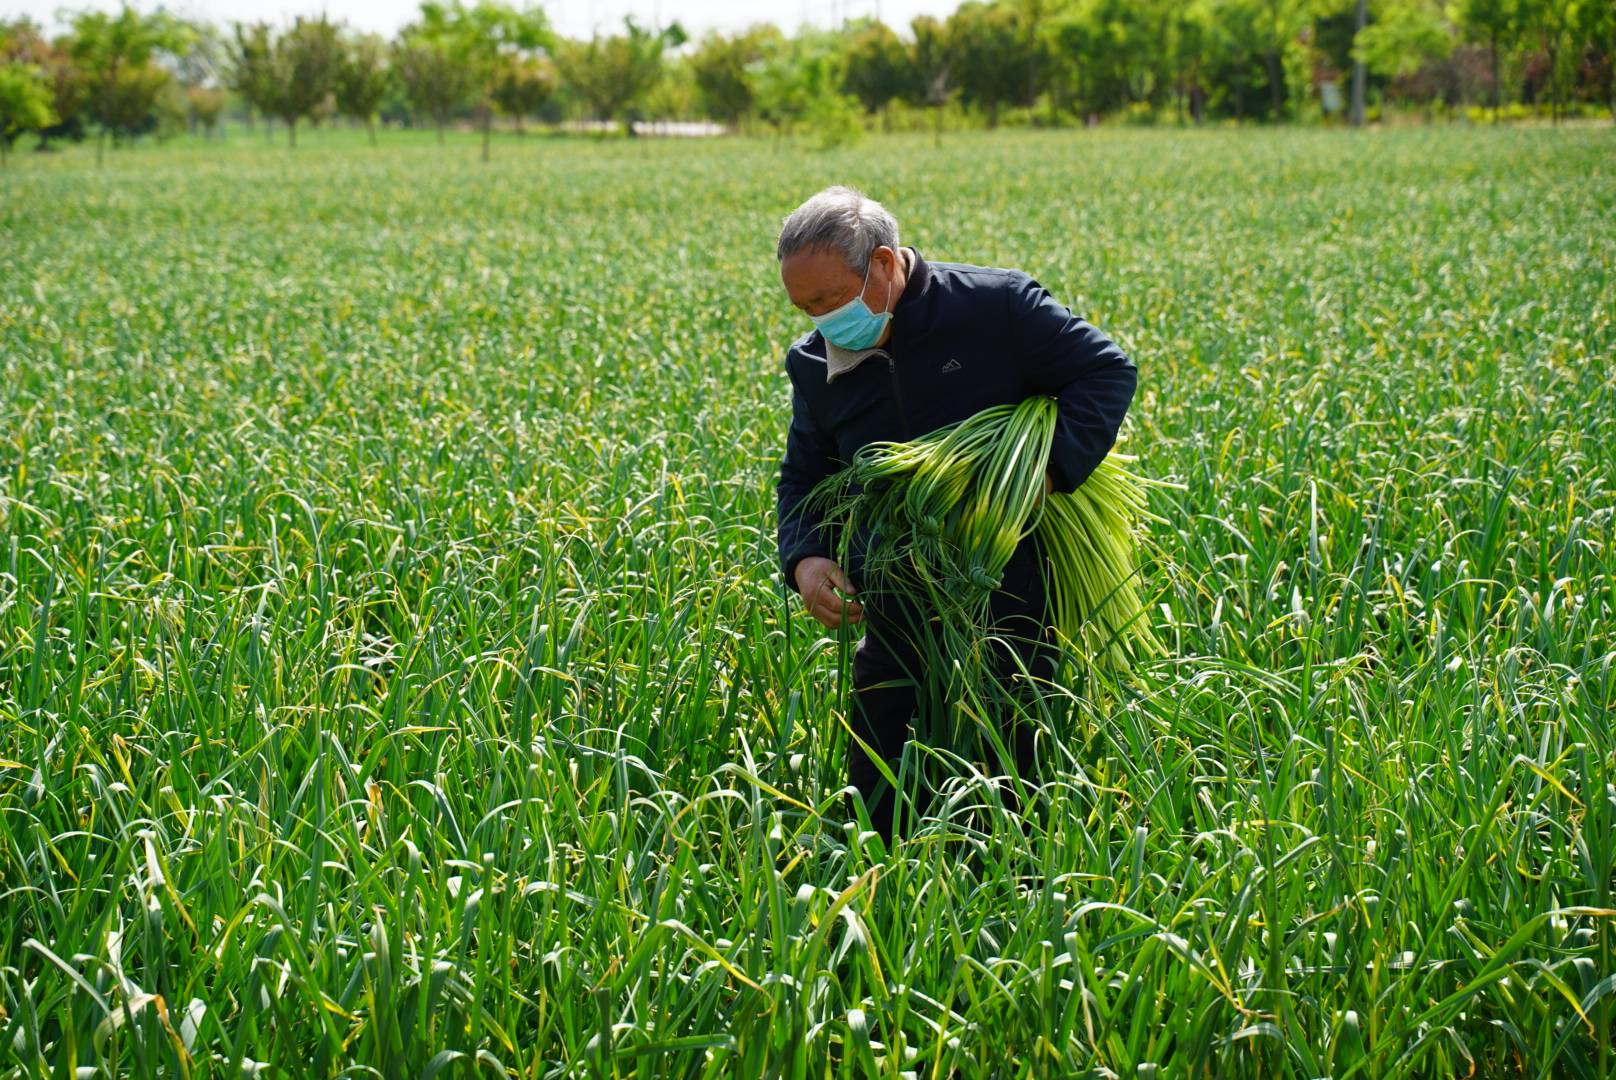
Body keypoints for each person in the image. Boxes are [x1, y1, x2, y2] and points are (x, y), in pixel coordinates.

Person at [774, 185, 1136, 842]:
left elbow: (1104, 373)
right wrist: (805, 558)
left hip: (1008, 564)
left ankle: (1016, 870)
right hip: (891, 575)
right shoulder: (815, 363)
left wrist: (1044, 472)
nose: (821, 322)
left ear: (883, 265)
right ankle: (880, 866)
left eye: (828, 301)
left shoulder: (996, 308)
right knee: (881, 722)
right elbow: (806, 473)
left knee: (1014, 714)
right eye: (804, 308)